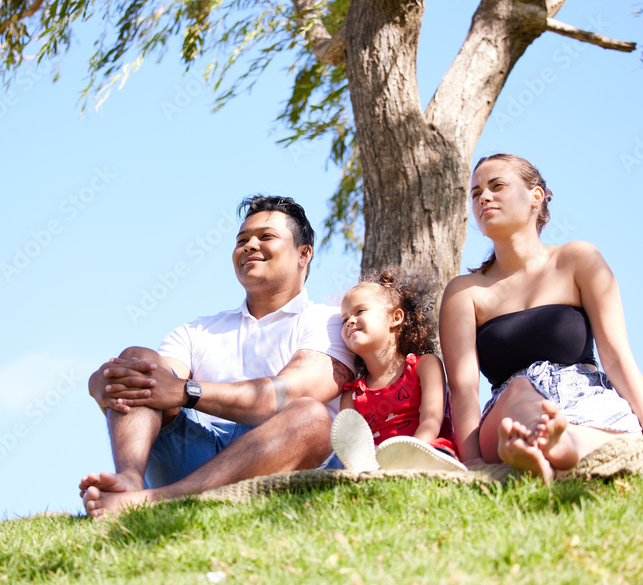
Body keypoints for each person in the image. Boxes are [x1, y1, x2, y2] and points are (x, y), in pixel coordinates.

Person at [79, 195, 355, 517]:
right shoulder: (199, 330)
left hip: (283, 458)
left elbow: (292, 392)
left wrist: (186, 391)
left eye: (266, 237)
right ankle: (128, 482)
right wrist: (103, 382)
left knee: (312, 416)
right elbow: (151, 381)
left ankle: (156, 502)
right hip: (197, 459)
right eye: (242, 240)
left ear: (303, 254)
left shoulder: (330, 321)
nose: (250, 245)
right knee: (139, 358)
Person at [439, 153, 643, 482]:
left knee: (618, 440)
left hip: (587, 399)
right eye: (475, 194)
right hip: (510, 409)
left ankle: (557, 451)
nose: (483, 197)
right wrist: (472, 462)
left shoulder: (577, 259)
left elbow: (616, 356)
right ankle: (544, 443)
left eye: (496, 186)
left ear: (536, 197)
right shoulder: (465, 291)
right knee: (518, 389)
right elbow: (464, 389)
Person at [330, 268, 464, 472]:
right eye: (344, 319)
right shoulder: (352, 393)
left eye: (360, 311)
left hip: (426, 449)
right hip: (376, 465)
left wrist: (409, 458)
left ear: (395, 318)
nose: (350, 321)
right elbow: (353, 445)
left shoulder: (424, 365)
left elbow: (431, 419)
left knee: (440, 453)